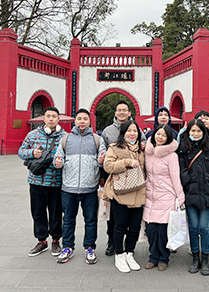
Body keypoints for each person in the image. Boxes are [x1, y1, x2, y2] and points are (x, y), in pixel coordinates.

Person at [53, 108, 106, 265]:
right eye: (79, 118)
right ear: (74, 121)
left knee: (90, 220)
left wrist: (101, 161)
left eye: (85, 119)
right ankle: (68, 247)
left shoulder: (97, 139)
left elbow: (102, 158)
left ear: (89, 121)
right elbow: (58, 157)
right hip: (68, 188)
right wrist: (57, 163)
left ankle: (90, 247)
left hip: (90, 188)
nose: (82, 121)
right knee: (68, 220)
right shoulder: (66, 139)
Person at [177, 119, 209, 276]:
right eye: (193, 131)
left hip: (208, 194)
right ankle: (195, 258)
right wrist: (189, 182)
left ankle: (205, 259)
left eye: (199, 131)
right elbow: (182, 169)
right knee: (193, 227)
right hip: (191, 193)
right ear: (188, 132)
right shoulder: (183, 149)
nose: (196, 134)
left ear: (204, 132)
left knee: (204, 228)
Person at [18, 106, 66, 257]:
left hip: (56, 182)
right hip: (36, 181)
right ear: (44, 118)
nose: (51, 119)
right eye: (48, 116)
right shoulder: (32, 135)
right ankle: (42, 241)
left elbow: (69, 157)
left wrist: (61, 163)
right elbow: (20, 151)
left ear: (58, 119)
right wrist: (32, 153)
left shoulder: (65, 136)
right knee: (37, 212)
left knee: (56, 213)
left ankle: (56, 240)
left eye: (54, 116)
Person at [101, 100, 146, 256]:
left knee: (134, 225)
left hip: (138, 189)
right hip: (119, 187)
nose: (132, 133)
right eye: (128, 131)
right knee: (116, 222)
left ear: (129, 113)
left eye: (134, 131)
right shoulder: (110, 138)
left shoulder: (141, 147)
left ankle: (129, 252)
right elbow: (107, 164)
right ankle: (115, 248)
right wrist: (126, 162)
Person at [143, 124, 185, 271]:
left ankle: (163, 258)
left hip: (166, 196)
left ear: (168, 138)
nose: (159, 137)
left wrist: (180, 197)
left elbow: (175, 177)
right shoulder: (147, 153)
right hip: (150, 195)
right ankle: (152, 256)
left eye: (163, 135)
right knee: (151, 230)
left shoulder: (172, 156)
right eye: (157, 134)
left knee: (162, 231)